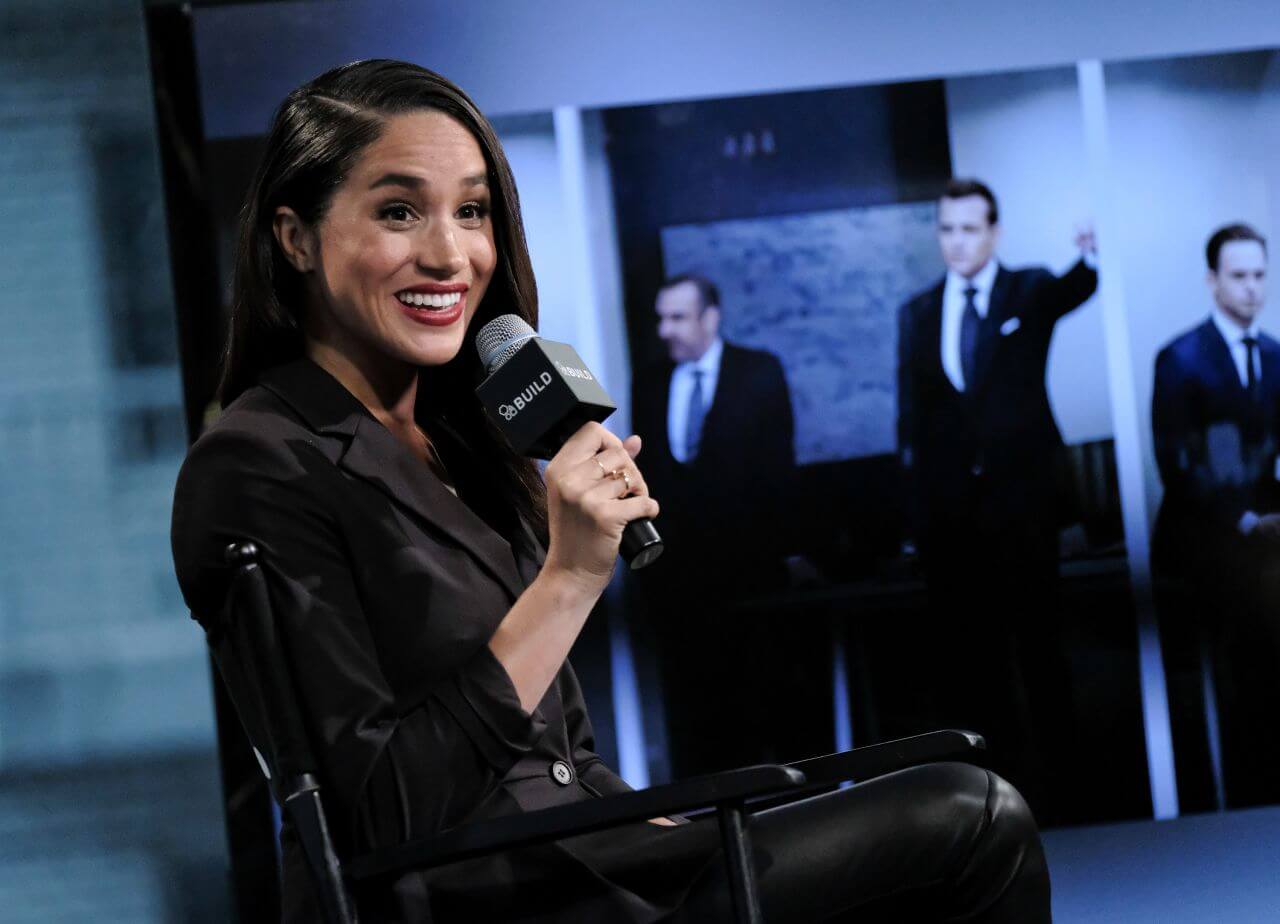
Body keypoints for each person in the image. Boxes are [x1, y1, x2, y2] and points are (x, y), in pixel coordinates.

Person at [170, 61, 1050, 923]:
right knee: (970, 819)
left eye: (472, 212)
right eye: (399, 211)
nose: (450, 253)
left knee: (952, 814)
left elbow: (564, 754)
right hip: (483, 897)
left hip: (607, 865)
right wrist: (568, 580)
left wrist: (668, 825)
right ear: (294, 237)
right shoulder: (255, 465)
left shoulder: (467, 435)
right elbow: (374, 815)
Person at [896, 178, 1098, 824]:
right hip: (952, 522)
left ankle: (1067, 804)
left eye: (970, 229)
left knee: (1041, 655)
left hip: (1025, 510)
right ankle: (988, 815)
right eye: (947, 229)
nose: (957, 242)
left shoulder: (1029, 289)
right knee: (970, 667)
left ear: (994, 232)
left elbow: (1078, 287)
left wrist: (1092, 254)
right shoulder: (918, 312)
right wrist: (916, 522)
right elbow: (913, 422)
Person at [628, 274, 813, 779]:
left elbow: (778, 474)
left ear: (711, 318)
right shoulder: (650, 381)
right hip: (679, 585)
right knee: (697, 716)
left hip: (750, 580)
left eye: (678, 318)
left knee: (760, 702)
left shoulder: (758, 372)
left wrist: (786, 556)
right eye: (661, 318)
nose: (665, 330)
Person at [1151, 222, 1280, 811]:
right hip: (1207, 541)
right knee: (1249, 650)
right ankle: (1252, 793)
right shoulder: (1180, 359)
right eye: (1239, 276)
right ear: (1212, 280)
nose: (1253, 288)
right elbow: (1181, 465)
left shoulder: (1275, 355)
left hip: (1264, 539)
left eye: (1260, 275)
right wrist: (1245, 521)